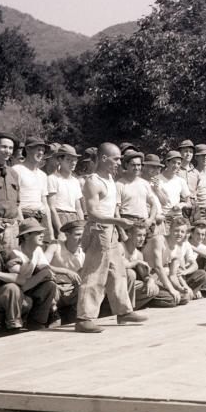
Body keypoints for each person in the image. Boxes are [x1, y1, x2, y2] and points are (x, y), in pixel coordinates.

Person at [74, 142, 147, 333]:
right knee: (94, 274)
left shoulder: (110, 179)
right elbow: (92, 213)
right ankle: (84, 318)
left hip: (111, 232)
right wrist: (118, 221)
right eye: (116, 159)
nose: (119, 163)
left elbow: (111, 207)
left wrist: (118, 225)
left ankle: (123, 311)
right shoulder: (93, 181)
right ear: (104, 158)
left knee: (117, 272)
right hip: (99, 232)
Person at [15, 136, 56, 239]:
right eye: (38, 149)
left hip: (41, 217)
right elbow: (15, 201)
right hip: (25, 215)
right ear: (28, 149)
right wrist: (22, 223)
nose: (41, 153)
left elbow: (45, 203)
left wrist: (50, 230)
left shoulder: (43, 175)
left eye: (43, 150)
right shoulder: (16, 170)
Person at [46, 219, 85, 312]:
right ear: (67, 235)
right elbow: (42, 264)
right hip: (56, 287)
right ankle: (53, 316)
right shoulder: (56, 245)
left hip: (75, 290)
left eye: (84, 234)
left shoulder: (86, 250)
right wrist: (66, 271)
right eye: (78, 234)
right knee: (48, 286)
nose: (82, 238)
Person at [48, 144, 84, 235]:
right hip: (60, 217)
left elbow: (78, 208)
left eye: (75, 160)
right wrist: (60, 230)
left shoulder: (75, 181)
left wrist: (83, 225)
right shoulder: (52, 178)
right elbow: (51, 207)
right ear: (60, 160)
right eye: (68, 160)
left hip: (74, 218)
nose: (73, 163)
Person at [187, 143, 206, 221]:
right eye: (202, 155)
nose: (205, 158)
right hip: (198, 211)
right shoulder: (191, 173)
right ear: (196, 157)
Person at [158, 150, 192, 218]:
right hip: (162, 218)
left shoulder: (181, 181)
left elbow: (189, 203)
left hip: (178, 218)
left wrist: (182, 204)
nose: (176, 166)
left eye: (179, 163)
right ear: (167, 163)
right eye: (173, 162)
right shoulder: (157, 179)